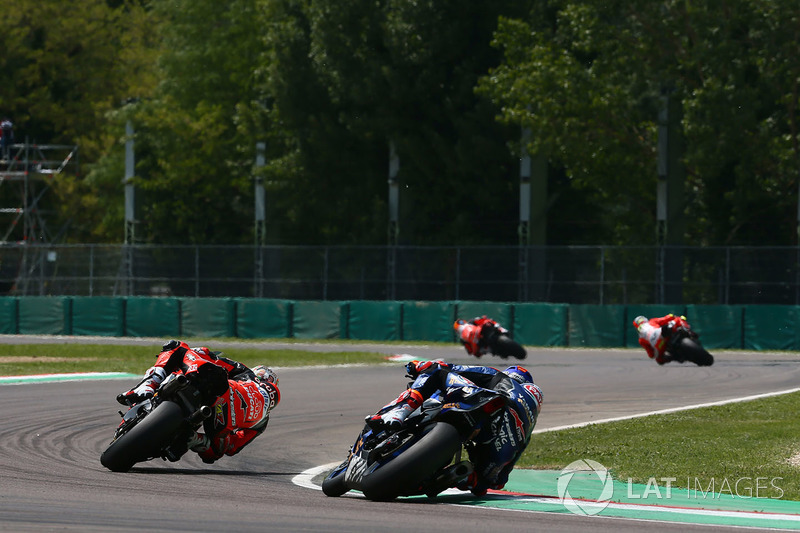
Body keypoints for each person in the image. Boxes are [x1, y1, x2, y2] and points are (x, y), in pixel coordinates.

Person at [367, 360, 543, 496]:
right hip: (496, 449)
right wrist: (476, 481)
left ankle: (399, 412)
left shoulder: (500, 378)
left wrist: (418, 366)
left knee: (436, 371)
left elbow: (451, 368)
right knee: (481, 483)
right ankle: (446, 477)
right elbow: (499, 483)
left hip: (474, 408)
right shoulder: (525, 435)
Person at [117, 340, 280, 463]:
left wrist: (198, 354)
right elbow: (232, 447)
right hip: (221, 421)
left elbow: (208, 356)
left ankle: (148, 385)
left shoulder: (245, 373)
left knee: (176, 346)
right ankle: (194, 439)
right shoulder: (263, 420)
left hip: (220, 390)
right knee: (217, 450)